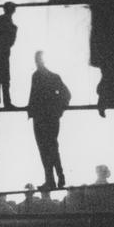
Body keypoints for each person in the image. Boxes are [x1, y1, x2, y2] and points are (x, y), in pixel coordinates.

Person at [26, 50, 71, 190]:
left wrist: (31, 111)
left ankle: (51, 179)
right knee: (52, 148)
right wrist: (59, 110)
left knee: (45, 150)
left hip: (40, 118)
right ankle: (59, 176)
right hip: (52, 118)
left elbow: (33, 96)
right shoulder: (54, 77)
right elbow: (67, 95)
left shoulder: (36, 76)